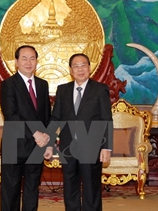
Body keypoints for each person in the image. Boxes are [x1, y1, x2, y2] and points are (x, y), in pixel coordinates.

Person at [48, 53, 113, 211]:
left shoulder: (100, 89)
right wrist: (49, 143)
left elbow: (107, 119)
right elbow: (55, 118)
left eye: (83, 65)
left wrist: (107, 147)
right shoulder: (62, 90)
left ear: (89, 68)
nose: (80, 69)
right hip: (68, 147)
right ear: (71, 70)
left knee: (91, 187)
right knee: (70, 186)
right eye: (76, 66)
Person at [0, 45, 51, 211]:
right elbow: (11, 115)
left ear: (36, 61)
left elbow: (46, 116)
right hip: (14, 145)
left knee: (32, 190)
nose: (28, 62)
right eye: (24, 58)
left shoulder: (43, 85)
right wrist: (35, 133)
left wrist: (47, 140)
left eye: (32, 58)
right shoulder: (8, 84)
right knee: (11, 191)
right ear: (16, 62)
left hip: (37, 147)